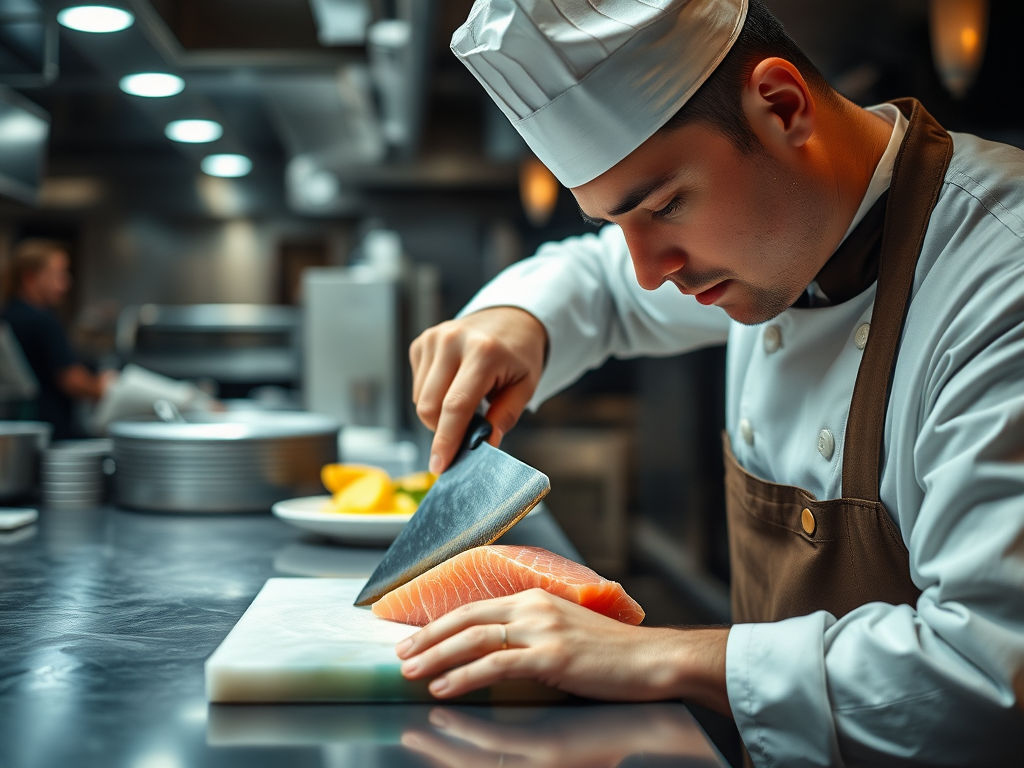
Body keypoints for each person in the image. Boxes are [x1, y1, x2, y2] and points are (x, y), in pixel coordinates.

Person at [397, 0, 1024, 765]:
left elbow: (993, 675)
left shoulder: (1001, 280)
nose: (648, 271)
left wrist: (654, 656)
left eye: (665, 205)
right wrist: (514, 318)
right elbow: (598, 288)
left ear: (781, 106)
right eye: (613, 223)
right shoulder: (783, 232)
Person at [0, 239, 114, 438]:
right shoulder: (42, 320)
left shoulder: (8, 314)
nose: (66, 283)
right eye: (58, 275)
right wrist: (104, 387)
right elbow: (72, 380)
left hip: (21, 427)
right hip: (50, 428)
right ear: (30, 277)